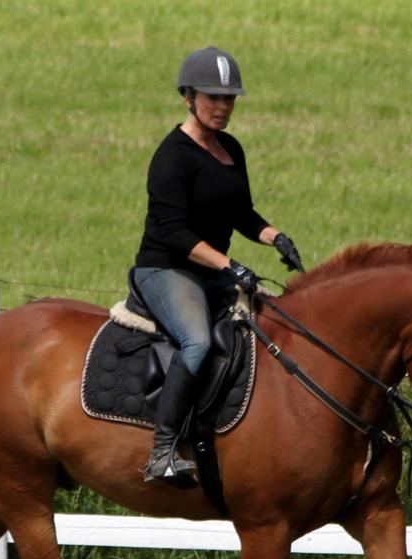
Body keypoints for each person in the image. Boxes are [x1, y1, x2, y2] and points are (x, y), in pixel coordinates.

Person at [133, 46, 304, 486]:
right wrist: (232, 267)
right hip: (168, 270)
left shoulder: (230, 149)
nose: (223, 108)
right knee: (196, 342)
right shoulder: (171, 157)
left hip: (214, 271)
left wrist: (276, 237)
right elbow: (175, 234)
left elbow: (242, 214)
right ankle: (162, 451)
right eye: (213, 98)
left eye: (229, 99)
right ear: (187, 97)